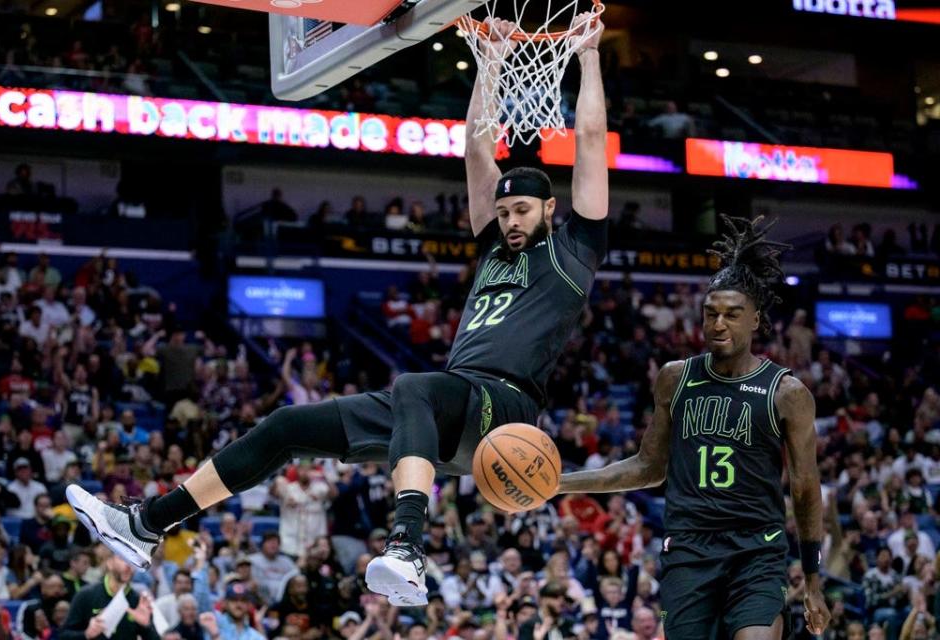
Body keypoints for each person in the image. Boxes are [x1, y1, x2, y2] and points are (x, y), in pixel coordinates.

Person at [66, 11, 609, 609]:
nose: (509, 221)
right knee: (286, 427)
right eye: (504, 213)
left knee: (415, 387)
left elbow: (587, 143)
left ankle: (407, 547)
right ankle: (145, 524)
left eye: (522, 212)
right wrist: (492, 60)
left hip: (504, 407)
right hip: (449, 409)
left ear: (549, 211)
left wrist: (587, 56)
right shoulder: (492, 247)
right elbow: (477, 149)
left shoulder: (574, 250)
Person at [558, 216, 832, 639]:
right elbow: (649, 467)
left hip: (756, 548)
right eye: (711, 314)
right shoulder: (675, 377)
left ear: (756, 320)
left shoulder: (786, 392)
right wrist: (560, 483)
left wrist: (812, 579)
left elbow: (805, 488)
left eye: (732, 315)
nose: (718, 324)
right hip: (689, 550)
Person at [59, 554, 158, 640]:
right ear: (109, 563)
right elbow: (63, 636)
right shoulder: (86, 594)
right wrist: (86, 634)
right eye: (123, 558)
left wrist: (146, 626)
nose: (129, 565)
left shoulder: (138, 601)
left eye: (133, 561)